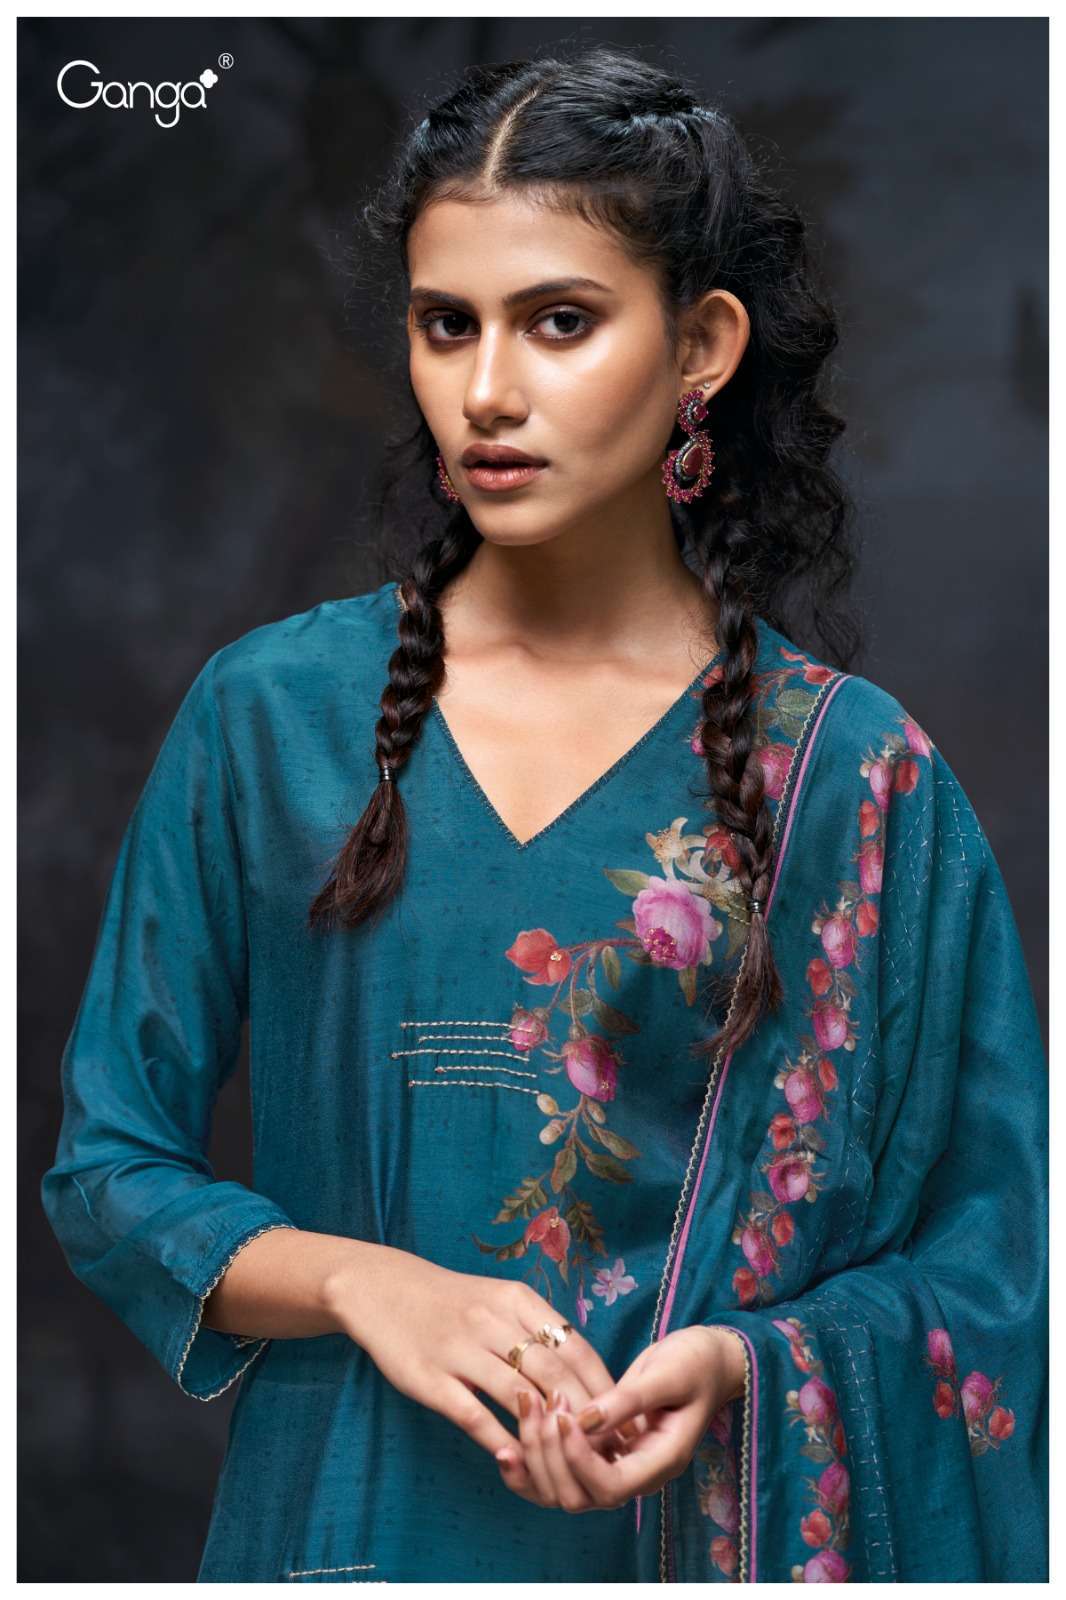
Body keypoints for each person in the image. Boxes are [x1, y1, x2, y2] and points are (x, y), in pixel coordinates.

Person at [40, 43, 1047, 1584]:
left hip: (685, 1548)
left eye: (559, 322)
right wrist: (362, 1282)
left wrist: (740, 1366)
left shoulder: (855, 780)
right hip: (341, 1542)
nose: (488, 392)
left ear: (700, 345)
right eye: (446, 325)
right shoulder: (272, 717)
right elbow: (110, 1169)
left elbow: (993, 1272)